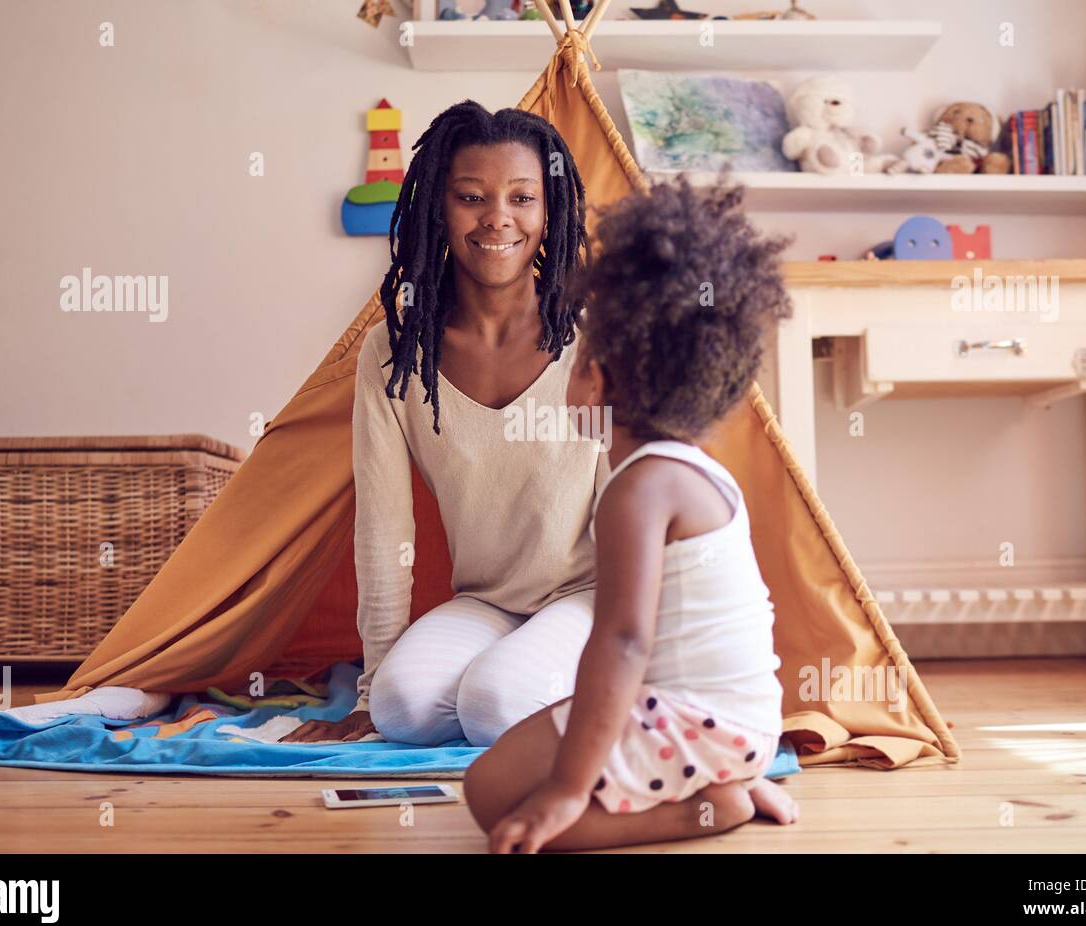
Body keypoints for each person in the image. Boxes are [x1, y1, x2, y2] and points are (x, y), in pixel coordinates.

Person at [462, 175, 799, 851]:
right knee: (545, 744)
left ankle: (711, 807)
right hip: (749, 723)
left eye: (580, 358)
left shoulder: (636, 491)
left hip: (698, 724)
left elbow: (621, 642)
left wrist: (563, 788)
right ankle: (716, 782)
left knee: (491, 795)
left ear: (605, 378)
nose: (571, 370)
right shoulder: (696, 471)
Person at [283, 101, 607, 746]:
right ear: (438, 205)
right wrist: (370, 692)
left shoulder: (595, 335)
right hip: (486, 601)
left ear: (550, 211)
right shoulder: (392, 350)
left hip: (592, 595)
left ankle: (601, 699)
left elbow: (639, 499)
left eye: (522, 197)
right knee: (402, 710)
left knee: (495, 704)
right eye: (471, 196)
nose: (497, 218)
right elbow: (383, 526)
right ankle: (517, 680)